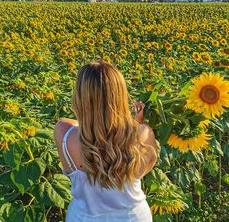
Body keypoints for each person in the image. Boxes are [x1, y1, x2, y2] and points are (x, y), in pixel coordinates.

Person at [54, 61, 159, 221]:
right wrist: (136, 123)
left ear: (80, 96)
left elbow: (77, 124)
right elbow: (142, 170)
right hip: (133, 217)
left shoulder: (64, 132)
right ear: (120, 95)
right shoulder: (142, 133)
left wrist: (93, 117)